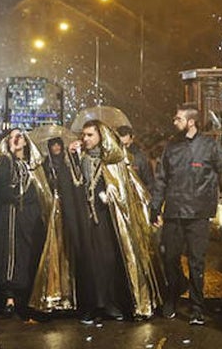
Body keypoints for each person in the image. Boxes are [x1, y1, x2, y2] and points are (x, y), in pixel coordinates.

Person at [150, 104, 222, 325]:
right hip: (174, 211)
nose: (174, 122)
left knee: (196, 262)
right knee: (169, 257)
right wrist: (155, 206)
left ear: (191, 122)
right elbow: (161, 178)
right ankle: (173, 295)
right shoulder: (171, 147)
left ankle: (196, 307)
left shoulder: (209, 146)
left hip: (199, 214)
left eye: (178, 119)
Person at [66, 120, 160, 321]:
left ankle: (110, 302)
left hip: (108, 220)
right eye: (84, 135)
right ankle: (92, 305)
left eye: (90, 135)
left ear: (100, 136)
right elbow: (77, 184)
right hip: (88, 219)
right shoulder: (82, 158)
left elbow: (124, 185)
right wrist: (71, 156)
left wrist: (111, 190)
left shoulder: (112, 159)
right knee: (90, 262)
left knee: (109, 260)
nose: (86, 138)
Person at [0, 129, 51, 318]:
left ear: (26, 141)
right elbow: (1, 184)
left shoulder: (35, 166)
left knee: (28, 251)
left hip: (29, 215)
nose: (16, 140)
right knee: (8, 253)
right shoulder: (4, 163)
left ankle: (27, 297)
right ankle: (9, 297)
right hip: (9, 213)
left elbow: (42, 191)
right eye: (11, 137)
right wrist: (9, 155)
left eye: (20, 136)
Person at [28, 137, 75, 315]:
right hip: (50, 210)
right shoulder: (45, 165)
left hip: (66, 209)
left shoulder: (67, 162)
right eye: (53, 145)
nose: (56, 148)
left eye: (58, 145)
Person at [116, 124, 155, 194]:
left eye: (126, 144)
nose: (124, 148)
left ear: (132, 139)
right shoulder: (113, 157)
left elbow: (150, 183)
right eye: (120, 145)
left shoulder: (140, 158)